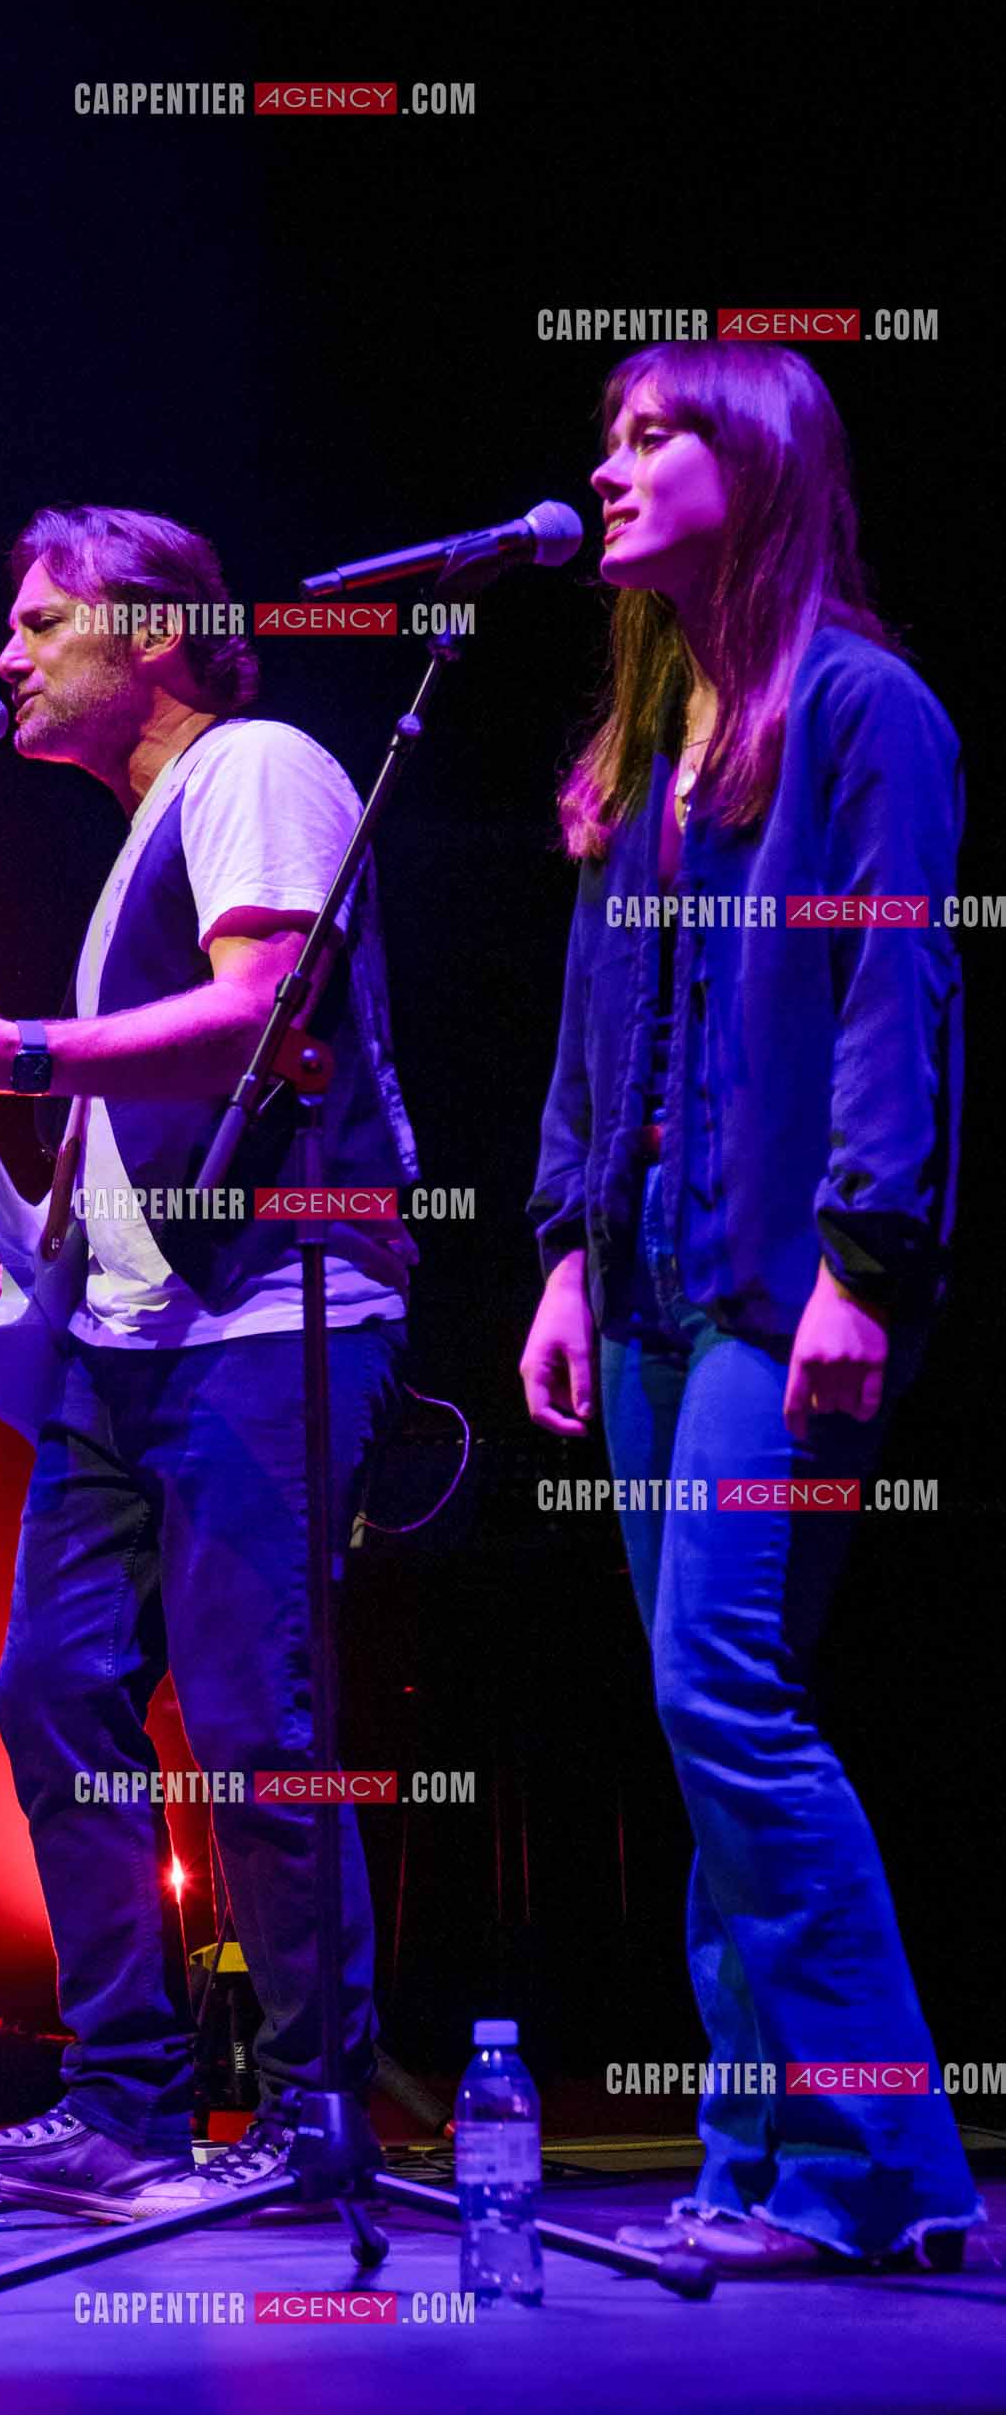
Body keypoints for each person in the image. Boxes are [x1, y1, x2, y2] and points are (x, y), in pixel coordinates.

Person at [0, 505, 418, 2219]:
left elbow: (264, 1008)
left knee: (255, 1721)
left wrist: (20, 1045)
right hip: (125, 1337)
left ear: (157, 626)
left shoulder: (254, 760)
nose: (12, 658)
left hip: (271, 1309)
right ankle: (123, 2108)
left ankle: (324, 2120)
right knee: (57, 1688)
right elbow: (147, 1097)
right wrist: (51, 1221)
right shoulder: (140, 833)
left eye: (44, 623)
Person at [519, 342, 982, 2273]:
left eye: (653, 437)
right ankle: (753, 2157)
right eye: (607, 441)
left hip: (783, 1287)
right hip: (641, 1285)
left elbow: (900, 991)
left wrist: (866, 1265)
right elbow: (591, 1015)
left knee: (731, 1691)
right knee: (701, 1710)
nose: (609, 472)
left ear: (760, 458)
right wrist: (557, 1246)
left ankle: (882, 2170)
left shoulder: (866, 709)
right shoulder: (655, 737)